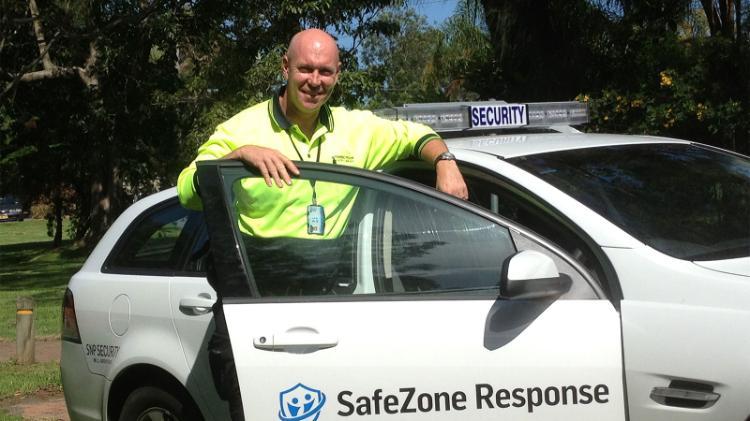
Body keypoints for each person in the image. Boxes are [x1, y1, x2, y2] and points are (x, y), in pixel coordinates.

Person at [177, 28, 467, 420]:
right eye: (306, 69)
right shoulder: (242, 129)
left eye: (325, 72)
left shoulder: (358, 130)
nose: (315, 81)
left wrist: (444, 162)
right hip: (257, 302)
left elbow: (417, 136)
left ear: (338, 75)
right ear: (285, 67)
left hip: (328, 302)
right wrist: (238, 156)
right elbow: (188, 190)